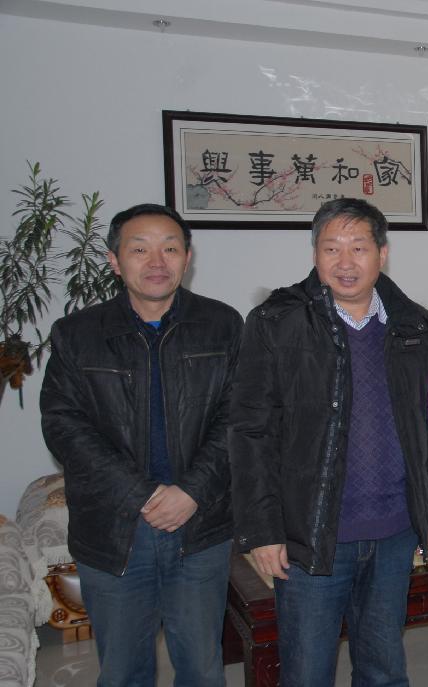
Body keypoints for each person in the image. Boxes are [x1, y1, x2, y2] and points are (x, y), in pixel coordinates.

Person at [229, 198, 428, 686]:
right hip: (311, 533)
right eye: (331, 248)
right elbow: (250, 432)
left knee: (384, 669)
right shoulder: (276, 321)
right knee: (307, 672)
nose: (345, 262)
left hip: (394, 531)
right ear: (315, 254)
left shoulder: (414, 325)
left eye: (359, 247)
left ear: (382, 254)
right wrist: (262, 530)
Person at [40, 203, 241, 686]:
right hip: (114, 531)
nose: (157, 262)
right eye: (139, 250)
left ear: (187, 258)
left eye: (170, 249)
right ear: (114, 260)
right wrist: (142, 495)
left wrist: (191, 491)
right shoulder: (77, 334)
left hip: (199, 527)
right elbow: (64, 426)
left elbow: (239, 417)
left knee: (202, 668)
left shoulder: (223, 325)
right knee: (123, 671)